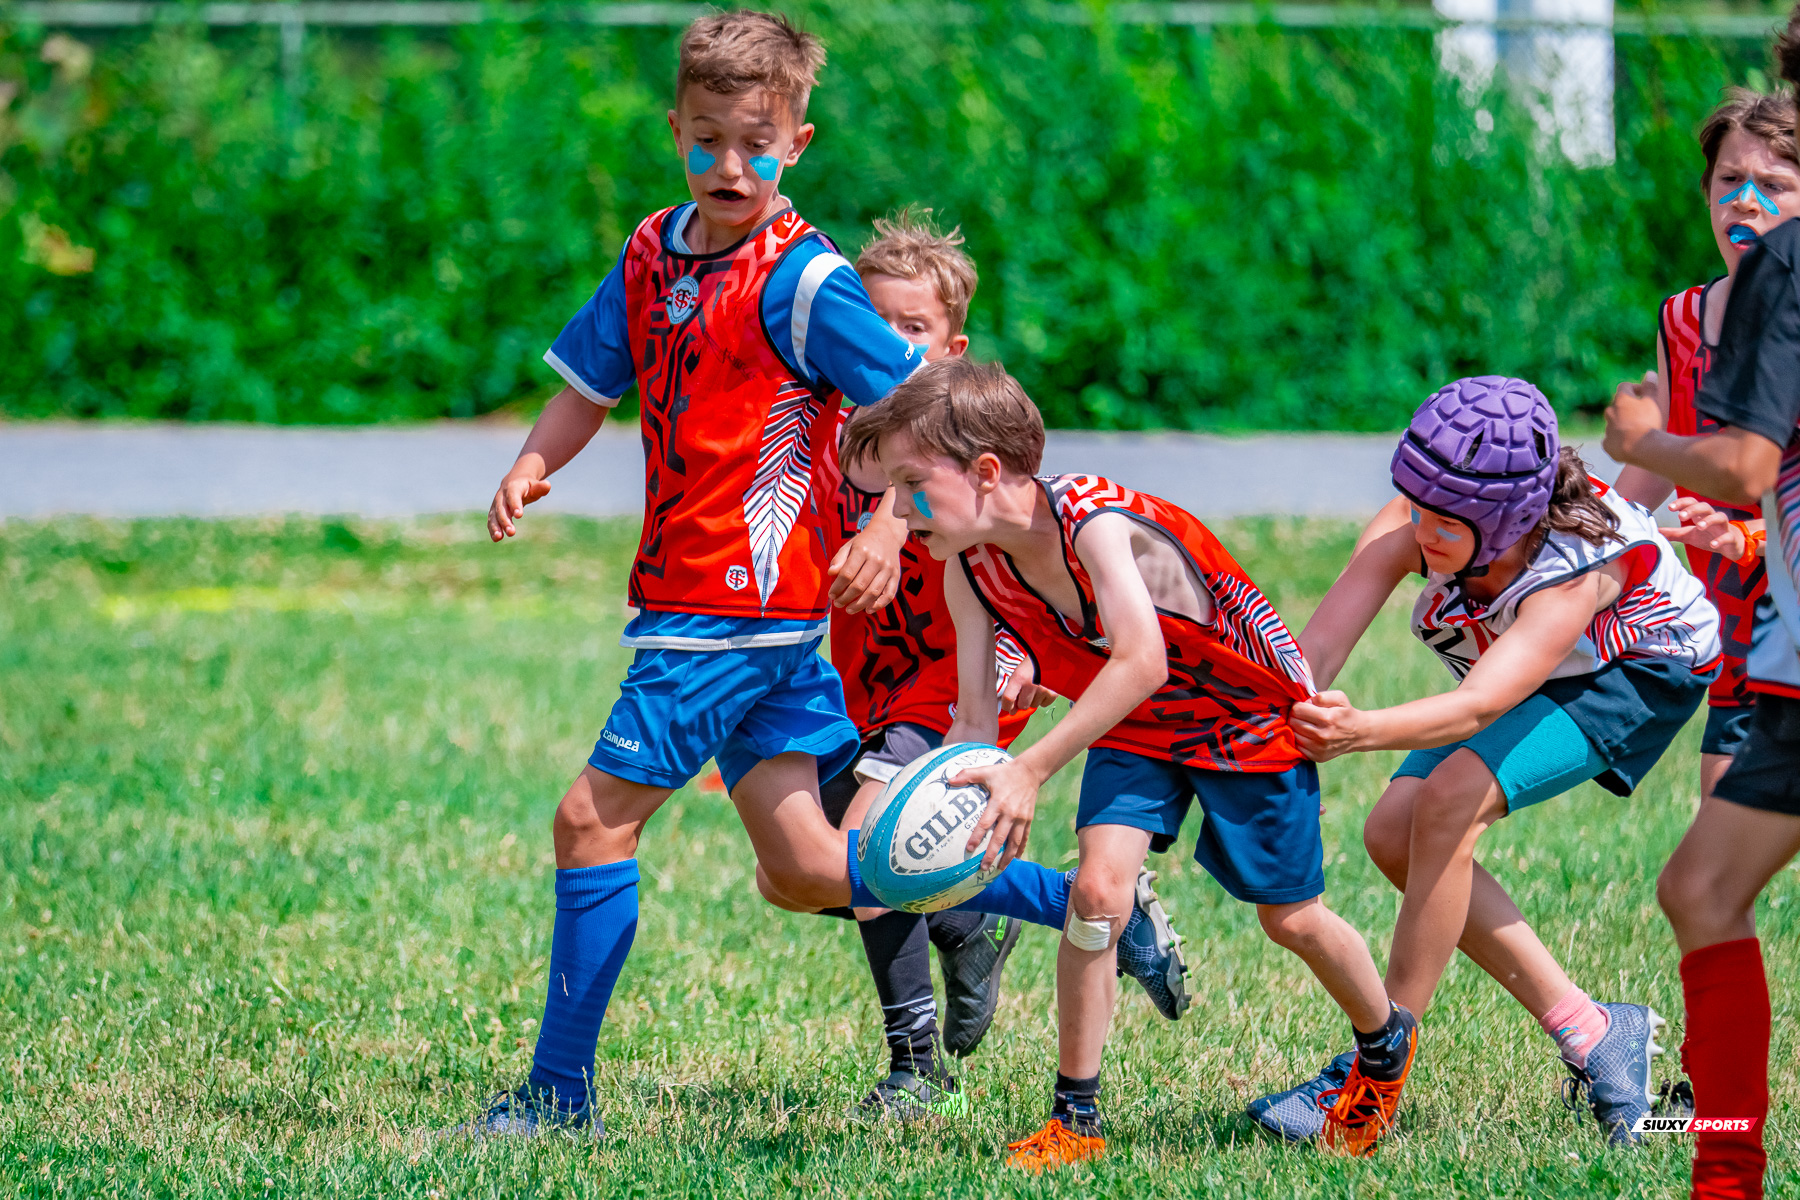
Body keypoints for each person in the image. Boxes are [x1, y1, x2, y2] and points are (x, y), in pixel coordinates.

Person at [457, 10, 1082, 1139]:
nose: (728, 166)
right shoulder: (652, 251)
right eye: (706, 141)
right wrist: (531, 462)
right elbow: (587, 383)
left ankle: (557, 1099)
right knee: (806, 867)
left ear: (798, 139)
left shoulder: (804, 279)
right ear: (675, 131)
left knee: (589, 825)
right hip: (747, 625)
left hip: (723, 617)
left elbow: (922, 401)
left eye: (756, 141)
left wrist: (891, 525)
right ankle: (1088, 903)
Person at [842, 358, 1414, 1168]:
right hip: (1136, 723)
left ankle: (1385, 1044)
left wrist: (1029, 769)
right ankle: (1075, 1121)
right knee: (1097, 896)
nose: (896, 510)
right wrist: (943, 800)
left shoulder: (1094, 524)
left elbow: (1141, 659)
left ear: (986, 471)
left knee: (1291, 919)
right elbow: (972, 719)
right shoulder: (967, 564)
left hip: (1241, 716)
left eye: (909, 485)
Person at [1251, 376, 1721, 1149]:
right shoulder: (1427, 518)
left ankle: (1376, 1078)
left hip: (1638, 664)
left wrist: (1358, 730)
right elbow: (1317, 653)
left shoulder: (1573, 572)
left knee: (1448, 804)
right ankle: (1597, 1032)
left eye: (1445, 521)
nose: (1420, 531)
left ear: (1506, 519)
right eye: (1414, 504)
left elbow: (1477, 706)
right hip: (1542, 660)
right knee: (1393, 834)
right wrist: (1269, 727)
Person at [1602, 12, 1800, 1195]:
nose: (1750, 198)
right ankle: (1727, 1178)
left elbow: (1737, 467)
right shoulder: (1718, 295)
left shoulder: (1786, 264)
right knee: (1700, 887)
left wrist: (1644, 439)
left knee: (1704, 891)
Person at [805, 210, 1053, 1121]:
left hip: (954, 690)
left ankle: (915, 1070)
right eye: (875, 325)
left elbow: (1026, 551)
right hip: (861, 690)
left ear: (952, 347)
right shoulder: (825, 427)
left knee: (867, 849)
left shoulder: (962, 436)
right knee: (803, 862)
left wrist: (1026, 650)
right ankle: (965, 922)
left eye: (914, 329)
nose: (892, 345)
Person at [1611, 86, 1797, 822]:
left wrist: (1750, 537)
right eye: (1729, 182)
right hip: (1742, 640)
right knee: (1706, 886)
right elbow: (1661, 464)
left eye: (1774, 185)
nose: (1746, 203)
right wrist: (1586, 530)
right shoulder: (1682, 319)